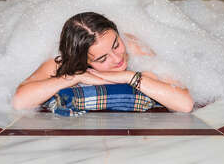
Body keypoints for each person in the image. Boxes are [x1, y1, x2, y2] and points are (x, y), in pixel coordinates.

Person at [13, 12, 194, 112]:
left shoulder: (134, 48)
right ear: (83, 61)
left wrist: (128, 76)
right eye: (102, 58)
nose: (117, 58)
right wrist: (74, 77)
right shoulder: (62, 64)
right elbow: (20, 101)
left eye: (116, 45)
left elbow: (185, 103)